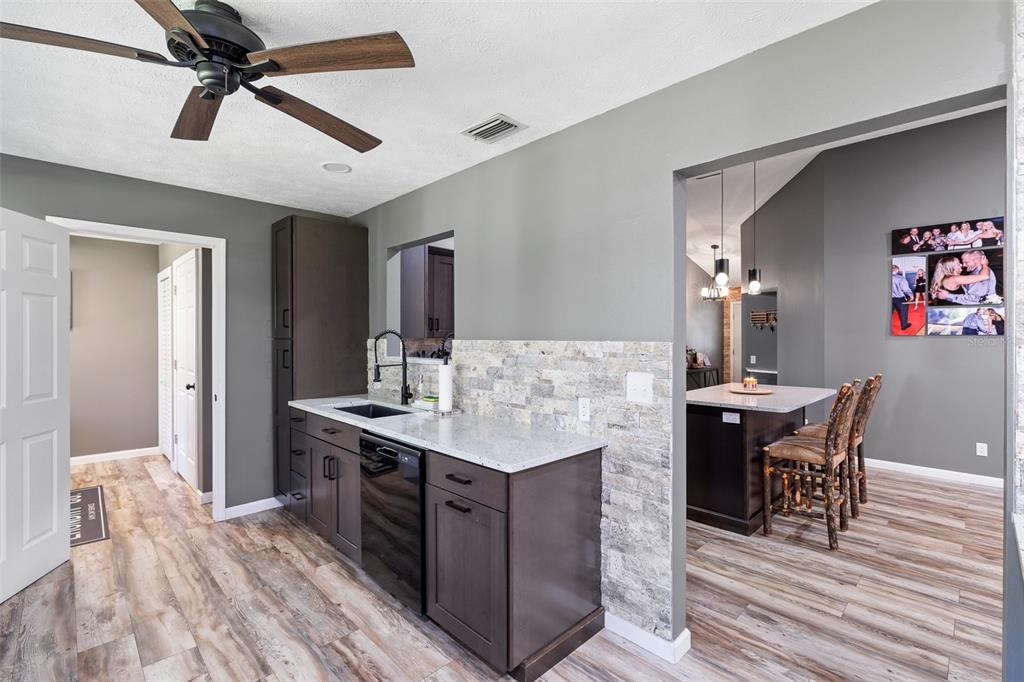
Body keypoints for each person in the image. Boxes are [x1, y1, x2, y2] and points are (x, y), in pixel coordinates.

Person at [891, 264, 914, 330]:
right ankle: (904, 326)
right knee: (903, 312)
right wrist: (911, 295)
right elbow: (905, 289)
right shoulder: (900, 278)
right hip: (900, 299)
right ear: (896, 270)